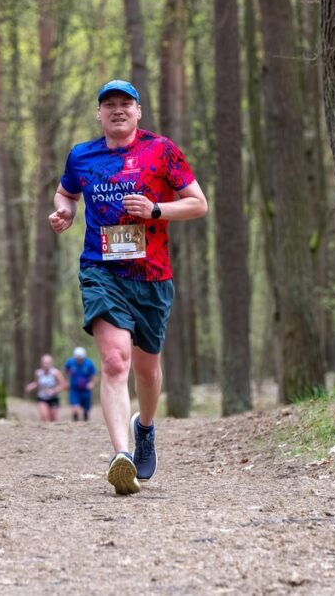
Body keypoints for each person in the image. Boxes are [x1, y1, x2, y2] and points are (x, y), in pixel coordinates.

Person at [48, 79, 208, 495]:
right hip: (102, 271)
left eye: (125, 104)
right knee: (116, 361)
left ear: (138, 112)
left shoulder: (162, 150)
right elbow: (65, 193)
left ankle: (146, 428)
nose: (117, 110)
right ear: (99, 114)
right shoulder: (82, 156)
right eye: (109, 105)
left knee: (146, 369)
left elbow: (198, 203)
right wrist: (63, 213)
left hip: (152, 275)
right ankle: (122, 457)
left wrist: (156, 209)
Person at [25, 354, 68, 422]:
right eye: (44, 363)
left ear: (51, 363)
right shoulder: (38, 373)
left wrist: (54, 390)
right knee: (44, 416)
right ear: (41, 363)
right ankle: (42, 431)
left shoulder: (55, 373)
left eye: (48, 363)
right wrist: (31, 386)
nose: (46, 365)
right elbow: (37, 383)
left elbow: (64, 385)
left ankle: (52, 431)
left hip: (54, 398)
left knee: (53, 418)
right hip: (42, 397)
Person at [64, 346, 98, 422]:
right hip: (74, 389)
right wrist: (66, 381)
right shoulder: (70, 363)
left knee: (86, 408)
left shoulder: (89, 364)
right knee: (75, 408)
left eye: (81, 358)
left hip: (86, 390)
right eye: (77, 358)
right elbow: (65, 372)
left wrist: (92, 383)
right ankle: (75, 420)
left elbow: (94, 376)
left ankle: (85, 415)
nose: (79, 360)